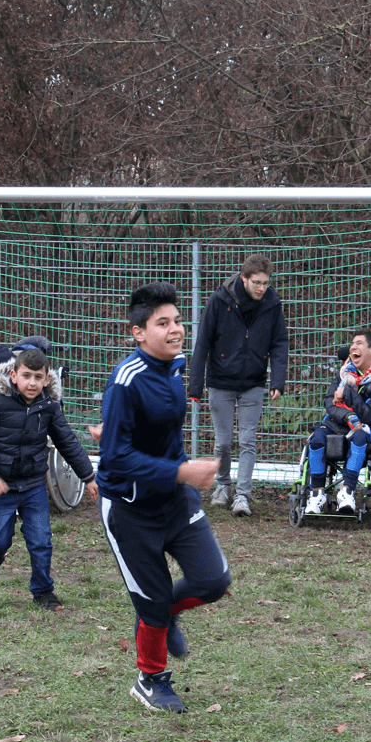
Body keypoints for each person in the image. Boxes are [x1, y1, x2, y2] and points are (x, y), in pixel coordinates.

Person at [93, 282, 231, 714]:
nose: (176, 330)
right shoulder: (125, 380)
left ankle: (161, 611)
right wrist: (180, 471)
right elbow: (114, 460)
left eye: (177, 321)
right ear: (138, 332)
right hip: (129, 510)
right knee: (150, 603)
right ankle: (149, 679)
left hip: (175, 499)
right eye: (163, 323)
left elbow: (152, 433)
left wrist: (176, 471)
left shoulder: (175, 367)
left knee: (214, 581)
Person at [0, 348, 98, 610]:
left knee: (41, 540)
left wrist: (88, 476)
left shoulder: (48, 407)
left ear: (47, 379)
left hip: (34, 484)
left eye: (38, 377)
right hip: (1, 486)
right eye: (26, 376)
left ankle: (43, 591)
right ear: (13, 376)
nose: (32, 383)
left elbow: (68, 442)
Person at [188, 253, 289, 517]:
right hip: (221, 381)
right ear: (243, 278)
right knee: (223, 443)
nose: (262, 288)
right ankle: (222, 485)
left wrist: (277, 379)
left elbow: (279, 342)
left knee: (248, 440)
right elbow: (203, 342)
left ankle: (242, 495)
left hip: (253, 381)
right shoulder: (220, 300)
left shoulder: (272, 303)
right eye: (256, 282)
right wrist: (195, 386)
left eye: (266, 283)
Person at [305, 328, 371, 515]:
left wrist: (349, 393)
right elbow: (329, 403)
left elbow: (368, 415)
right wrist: (348, 416)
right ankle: (316, 494)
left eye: (359, 344)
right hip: (337, 422)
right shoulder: (344, 371)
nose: (353, 347)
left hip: (366, 428)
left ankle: (346, 492)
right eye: (352, 344)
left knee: (359, 439)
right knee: (317, 439)